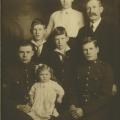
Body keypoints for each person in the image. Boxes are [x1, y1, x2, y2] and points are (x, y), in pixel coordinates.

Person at [72, 0, 119, 95]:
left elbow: (117, 56)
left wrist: (115, 82)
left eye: (94, 7)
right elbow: (77, 56)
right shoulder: (82, 31)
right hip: (88, 79)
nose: (91, 10)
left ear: (101, 9)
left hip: (107, 79)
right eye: (88, 8)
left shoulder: (112, 28)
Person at [67, 36, 114, 120]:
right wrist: (72, 105)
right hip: (78, 108)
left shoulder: (106, 68)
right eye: (85, 50)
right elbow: (73, 89)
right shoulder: (79, 68)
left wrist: (84, 110)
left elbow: (104, 97)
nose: (88, 52)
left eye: (91, 49)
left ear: (97, 49)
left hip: (98, 112)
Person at [4, 41, 36, 120]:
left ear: (32, 53)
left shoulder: (39, 68)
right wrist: (18, 106)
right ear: (18, 53)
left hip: (38, 107)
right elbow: (3, 96)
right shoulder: (9, 71)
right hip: (18, 110)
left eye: (28, 52)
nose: (25, 55)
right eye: (22, 52)